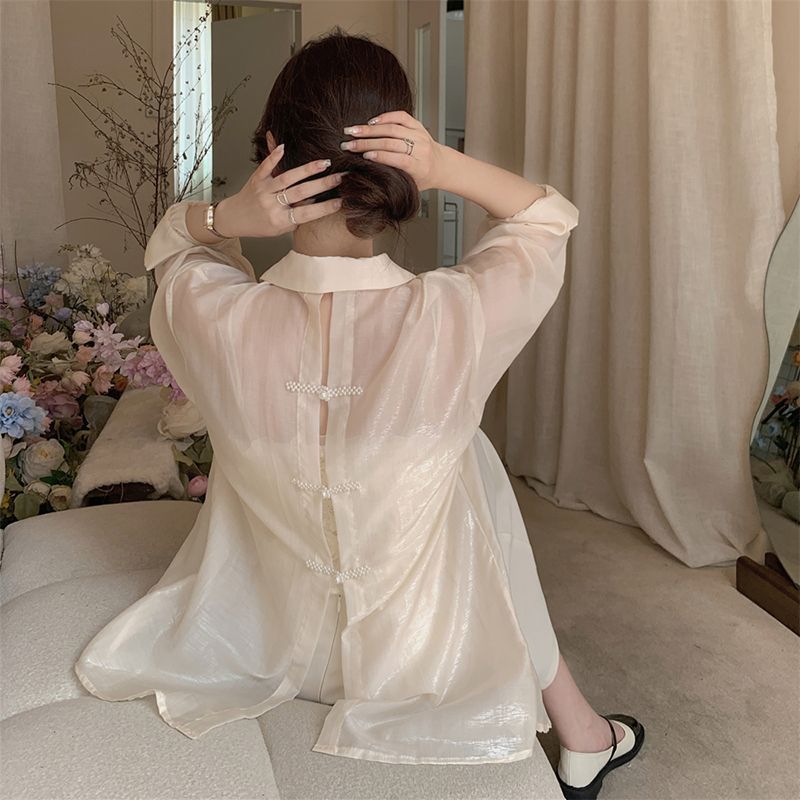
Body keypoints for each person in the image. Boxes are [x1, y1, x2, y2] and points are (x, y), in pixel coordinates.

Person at [74, 28, 643, 798]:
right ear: (400, 161)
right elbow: (547, 218)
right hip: (417, 662)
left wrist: (228, 218)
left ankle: (583, 731)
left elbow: (173, 245)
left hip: (265, 643)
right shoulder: (455, 317)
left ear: (270, 152)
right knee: (465, 456)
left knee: (458, 454)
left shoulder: (214, 315)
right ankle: (584, 732)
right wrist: (445, 166)